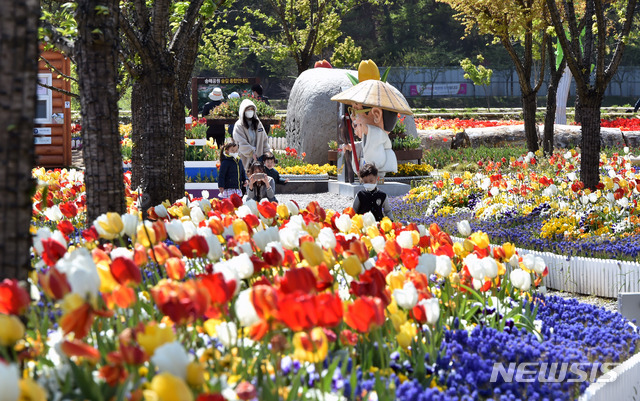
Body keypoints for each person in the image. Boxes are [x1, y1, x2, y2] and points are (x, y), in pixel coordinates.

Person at [232, 99, 271, 174]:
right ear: (243, 111)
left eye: (252, 109)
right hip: (245, 158)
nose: (250, 111)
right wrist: (251, 152)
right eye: (248, 109)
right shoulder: (239, 125)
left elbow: (264, 140)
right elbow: (240, 142)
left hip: (258, 159)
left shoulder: (258, 123)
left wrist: (267, 152)